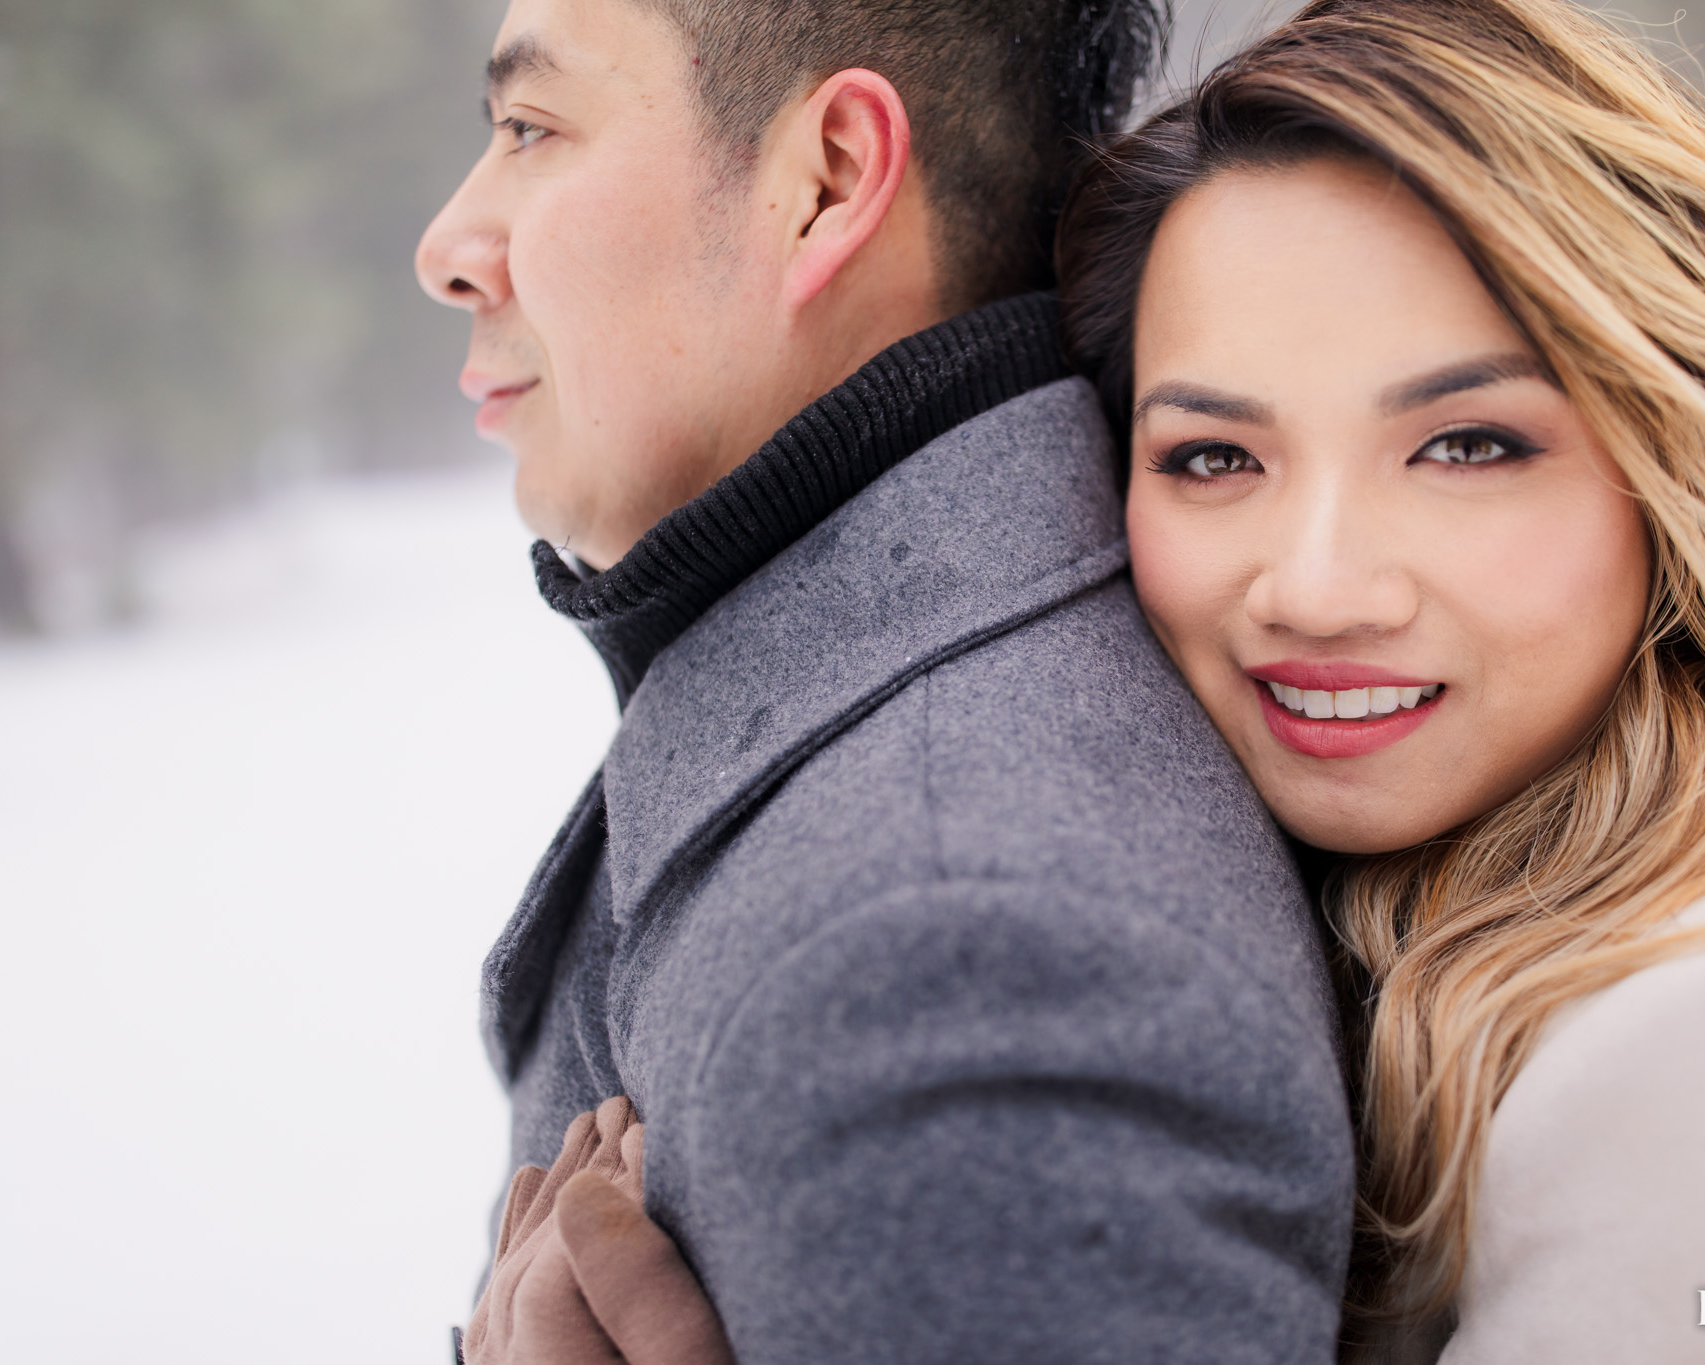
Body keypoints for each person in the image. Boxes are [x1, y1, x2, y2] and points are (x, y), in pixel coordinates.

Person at [1054, 0, 1705, 1360]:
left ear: (1683, 466)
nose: (1317, 587)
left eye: (1468, 446)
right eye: (1214, 456)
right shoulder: (1406, 946)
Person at [414, 0, 1356, 1361]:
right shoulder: (887, 738)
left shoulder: (960, 971)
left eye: (530, 128)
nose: (450, 244)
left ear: (831, 181)